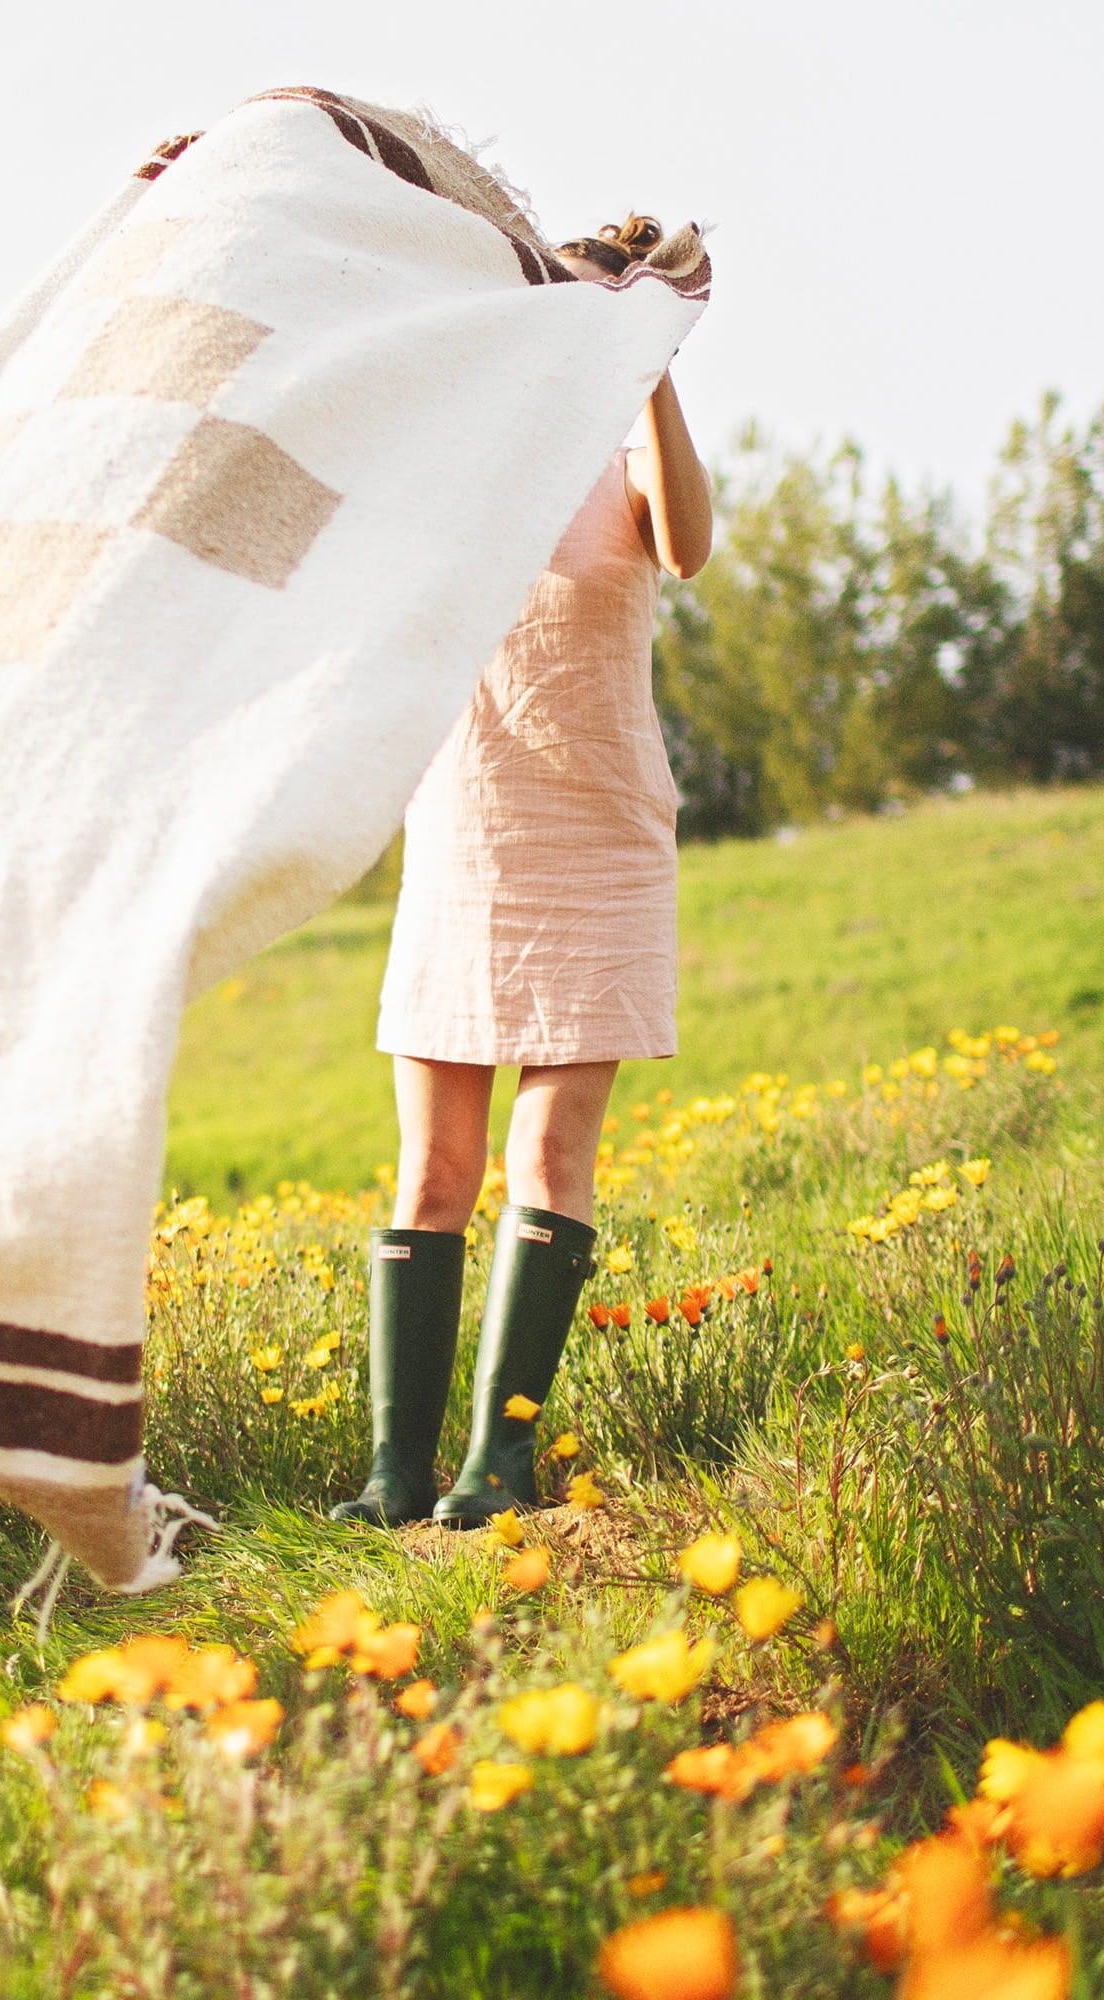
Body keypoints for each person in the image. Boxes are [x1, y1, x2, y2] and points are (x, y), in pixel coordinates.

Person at [332, 216, 715, 1530]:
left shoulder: (628, 464)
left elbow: (689, 545)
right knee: (435, 1167)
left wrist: (651, 356)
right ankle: (395, 1470)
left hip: (599, 837)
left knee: (551, 1149)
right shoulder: (448, 472)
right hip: (465, 838)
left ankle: (498, 1461)